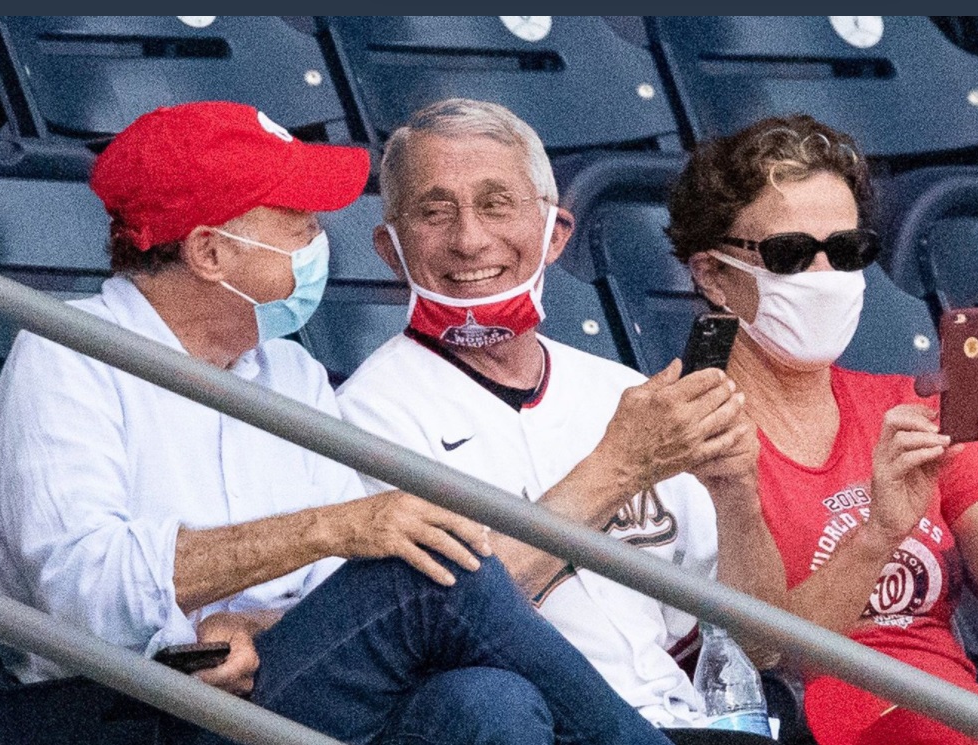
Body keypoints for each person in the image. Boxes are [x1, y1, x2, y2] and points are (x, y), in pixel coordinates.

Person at [0, 100, 683, 745]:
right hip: (138, 706)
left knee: (489, 702)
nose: (319, 242)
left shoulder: (290, 372)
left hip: (271, 678)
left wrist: (247, 622)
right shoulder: (69, 350)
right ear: (209, 252)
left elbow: (332, 598)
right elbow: (80, 592)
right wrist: (330, 528)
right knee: (432, 569)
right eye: (297, 224)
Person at [664, 113, 978, 745]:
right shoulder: (685, 428)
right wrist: (877, 534)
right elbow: (765, 656)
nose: (825, 277)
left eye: (846, 250)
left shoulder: (907, 410)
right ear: (713, 275)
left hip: (967, 719)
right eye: (789, 254)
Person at [334, 98, 786, 742]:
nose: (470, 238)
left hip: (684, 721)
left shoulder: (622, 391)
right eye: (435, 212)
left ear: (556, 235)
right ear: (390, 248)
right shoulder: (365, 416)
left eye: (497, 204)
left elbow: (758, 645)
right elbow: (441, 627)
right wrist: (620, 466)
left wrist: (737, 495)